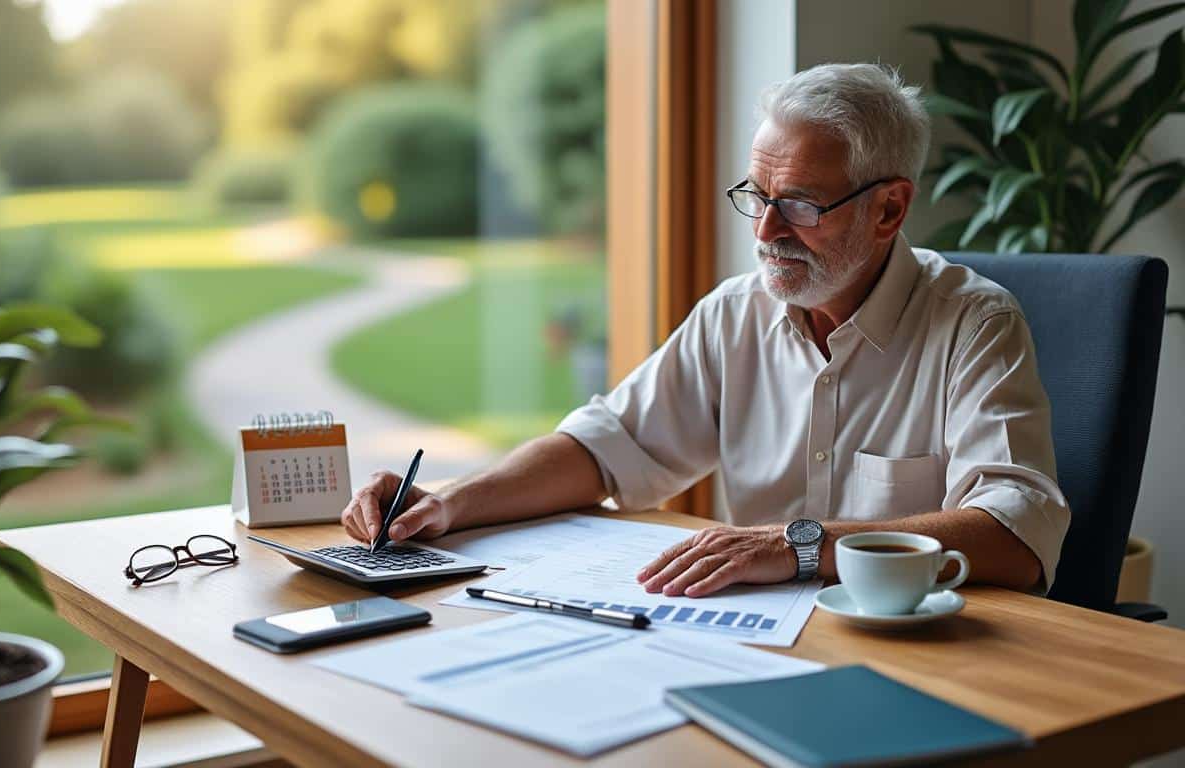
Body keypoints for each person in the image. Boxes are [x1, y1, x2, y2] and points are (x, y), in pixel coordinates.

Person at [339, 63, 1069, 599]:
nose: (768, 230)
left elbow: (1015, 532)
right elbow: (605, 448)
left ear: (888, 210)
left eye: (803, 206)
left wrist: (796, 544)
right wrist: (450, 501)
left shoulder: (975, 322)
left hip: (926, 655)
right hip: (758, 642)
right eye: (757, 195)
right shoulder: (735, 313)